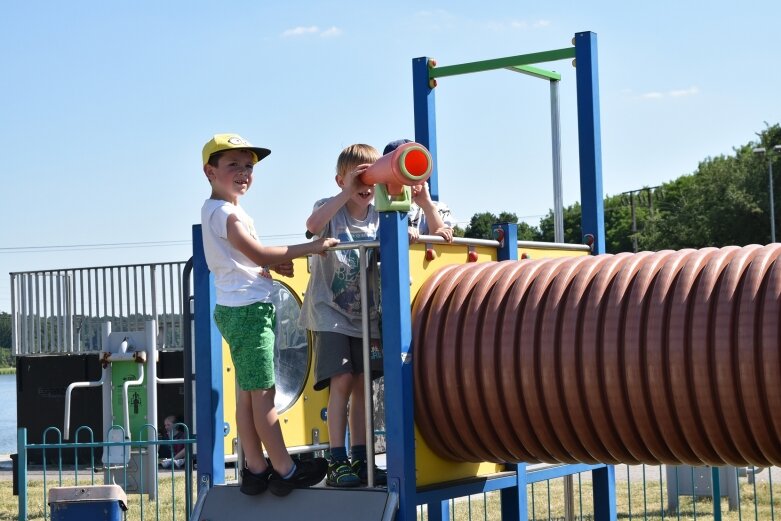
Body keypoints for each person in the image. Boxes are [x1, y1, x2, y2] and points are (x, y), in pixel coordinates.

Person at [201, 133, 336, 496]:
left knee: (248, 392)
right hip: (247, 313)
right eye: (234, 165)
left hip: (238, 307)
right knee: (263, 392)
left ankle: (256, 468)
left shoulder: (222, 211)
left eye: (248, 166)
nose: (244, 172)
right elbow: (258, 253)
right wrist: (312, 247)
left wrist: (274, 267)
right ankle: (285, 469)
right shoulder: (225, 213)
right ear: (209, 171)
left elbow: (244, 260)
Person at [299, 144, 388, 488]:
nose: (366, 183)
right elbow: (311, 226)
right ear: (340, 180)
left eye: (372, 175)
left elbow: (415, 227)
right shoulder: (330, 209)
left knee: (365, 386)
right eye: (358, 177)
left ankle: (362, 458)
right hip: (331, 312)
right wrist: (346, 192)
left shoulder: (381, 213)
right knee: (342, 381)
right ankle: (337, 458)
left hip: (367, 316)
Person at [383, 139, 456, 244]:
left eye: (415, 172)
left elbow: (443, 243)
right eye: (401, 175)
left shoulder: (439, 208)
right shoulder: (384, 210)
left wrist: (428, 206)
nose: (409, 182)